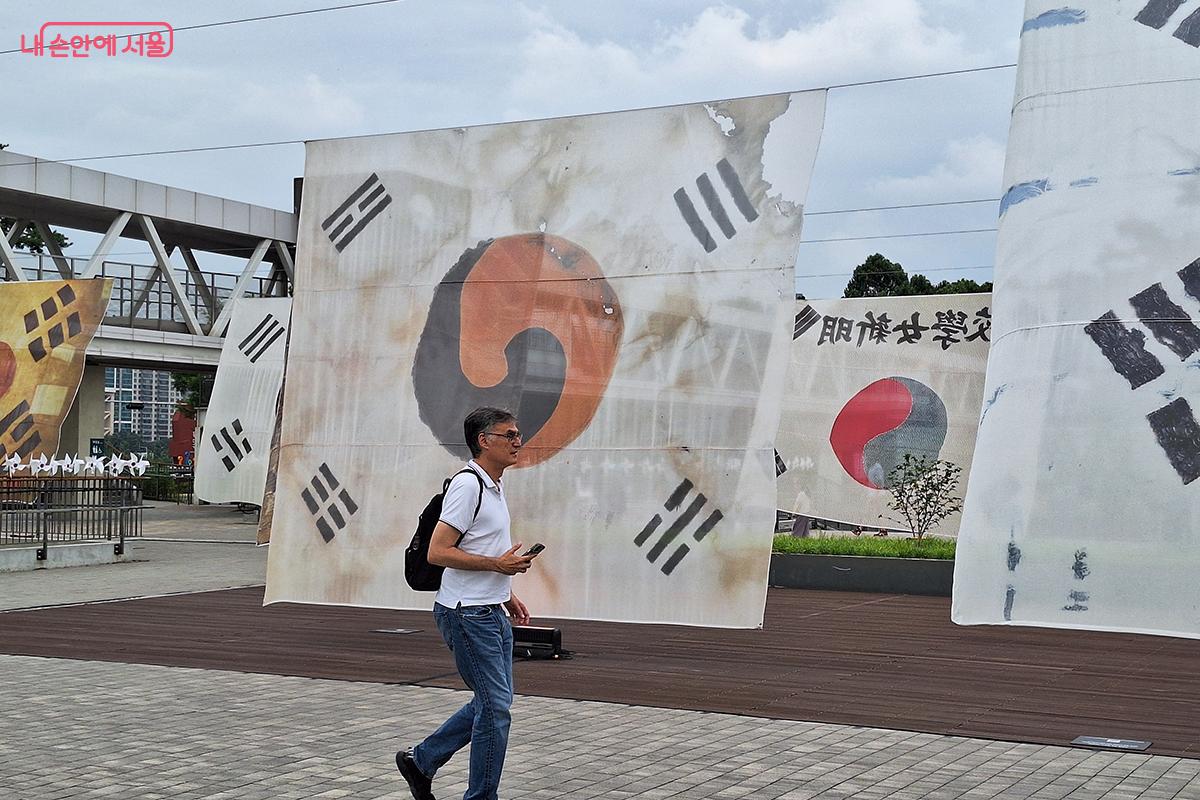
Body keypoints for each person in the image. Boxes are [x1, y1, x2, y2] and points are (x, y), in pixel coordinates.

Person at [396, 406, 538, 800]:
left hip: (489, 610)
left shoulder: (493, 484)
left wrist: (506, 592)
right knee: (496, 710)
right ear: (483, 441)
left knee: (495, 703)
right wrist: (498, 565)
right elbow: (438, 552)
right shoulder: (467, 485)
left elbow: (481, 545)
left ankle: (421, 760)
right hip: (467, 614)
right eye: (508, 435)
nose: (517, 441)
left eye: (517, 434)